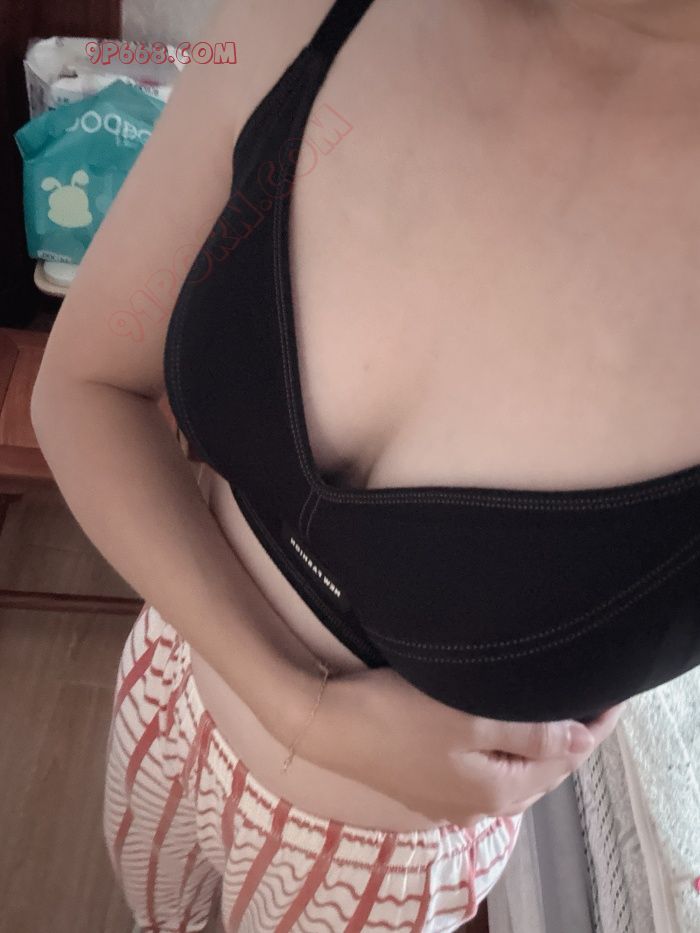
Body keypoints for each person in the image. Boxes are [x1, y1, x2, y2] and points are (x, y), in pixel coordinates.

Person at [30, 0, 700, 929]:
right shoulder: (313, 14)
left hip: (372, 865)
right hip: (171, 684)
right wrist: (296, 707)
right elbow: (85, 387)